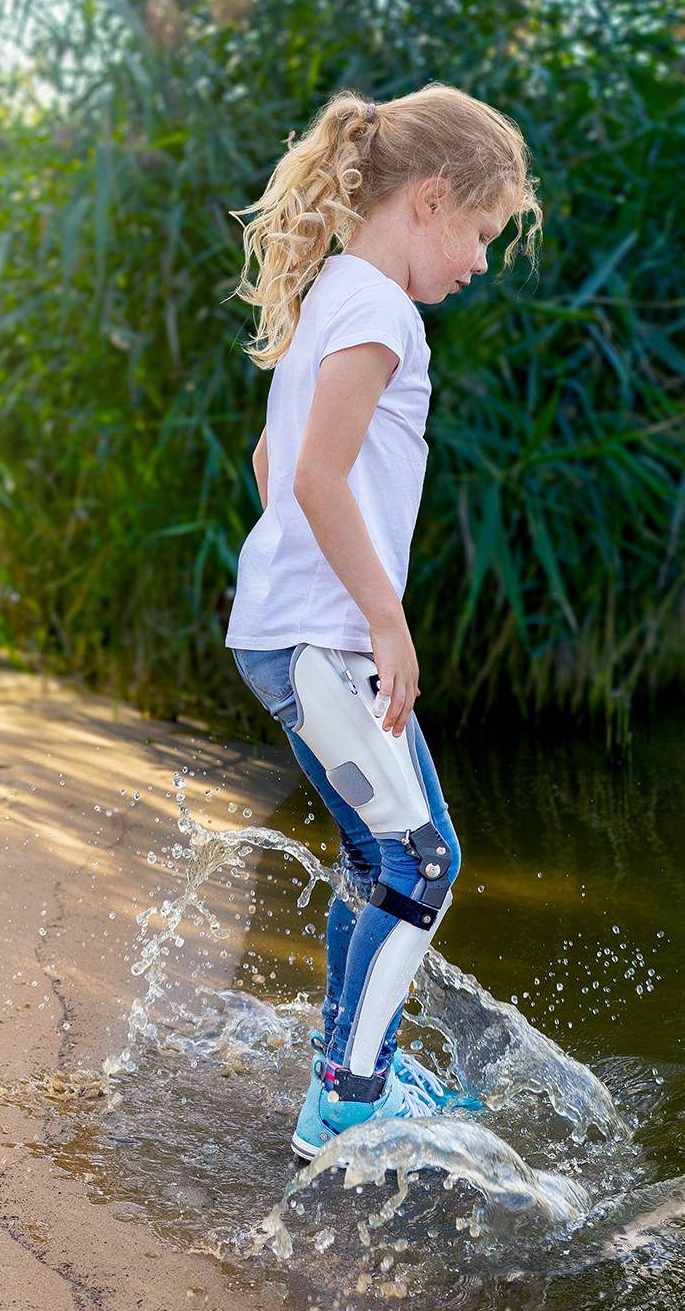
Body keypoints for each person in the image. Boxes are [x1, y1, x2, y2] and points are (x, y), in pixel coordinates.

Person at [223, 82, 541, 1159]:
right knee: (425, 865)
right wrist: (381, 620)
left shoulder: (335, 293)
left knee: (378, 859)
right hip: (325, 640)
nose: (482, 262)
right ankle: (349, 1100)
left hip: (293, 631)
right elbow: (314, 474)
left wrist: (296, 578)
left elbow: (272, 460)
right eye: (483, 233)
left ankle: (351, 1062)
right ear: (432, 199)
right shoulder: (382, 311)